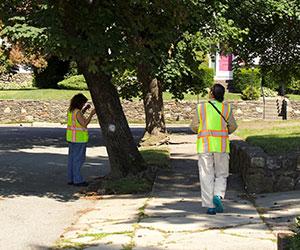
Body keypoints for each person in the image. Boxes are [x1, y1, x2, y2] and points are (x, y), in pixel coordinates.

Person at [190, 83, 237, 215]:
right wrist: (224, 131)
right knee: (221, 173)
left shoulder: (201, 108)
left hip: (204, 145)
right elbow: (233, 126)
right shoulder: (226, 109)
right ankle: (218, 196)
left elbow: (194, 126)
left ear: (211, 93)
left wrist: (201, 130)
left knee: (206, 174)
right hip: (221, 146)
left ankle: (210, 206)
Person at [66, 93, 96, 187]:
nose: (83, 104)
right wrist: (91, 114)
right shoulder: (77, 112)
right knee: (78, 160)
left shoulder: (71, 111)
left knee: (72, 159)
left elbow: (77, 119)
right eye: (83, 103)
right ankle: (78, 180)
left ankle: (71, 179)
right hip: (79, 139)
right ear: (79, 102)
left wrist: (85, 110)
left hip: (71, 138)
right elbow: (84, 124)